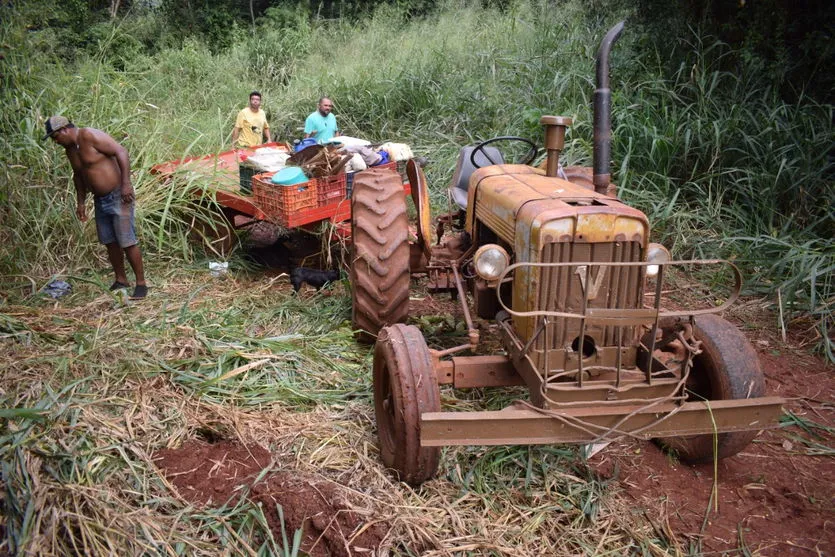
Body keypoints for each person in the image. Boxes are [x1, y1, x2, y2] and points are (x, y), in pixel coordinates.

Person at [44, 116, 147, 299]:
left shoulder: (89, 135)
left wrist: (126, 184)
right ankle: (121, 280)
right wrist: (81, 202)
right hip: (100, 199)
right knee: (110, 241)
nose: (56, 141)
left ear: (65, 130)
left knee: (127, 240)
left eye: (55, 137)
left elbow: (120, 151)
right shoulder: (70, 150)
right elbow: (78, 175)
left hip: (119, 195)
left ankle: (141, 284)